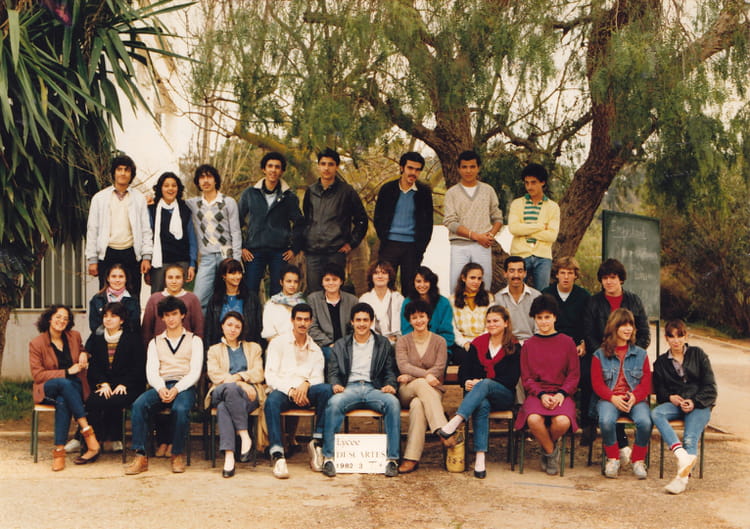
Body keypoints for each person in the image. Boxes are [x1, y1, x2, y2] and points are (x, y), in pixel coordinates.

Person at [438, 305, 521, 478]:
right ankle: (480, 458)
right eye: (488, 321)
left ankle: (456, 420)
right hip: (477, 397)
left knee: (486, 384)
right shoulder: (478, 344)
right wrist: (467, 381)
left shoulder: (514, 346)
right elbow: (463, 371)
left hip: (503, 395)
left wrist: (482, 383)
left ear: (506, 323)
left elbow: (511, 379)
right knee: (481, 404)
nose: (492, 324)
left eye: (496, 321)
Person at [125, 296, 203, 475]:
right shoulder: (155, 342)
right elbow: (151, 371)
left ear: (182, 315)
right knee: (139, 405)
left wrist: (177, 389)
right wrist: (161, 388)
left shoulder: (194, 340)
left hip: (184, 386)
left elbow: (195, 372)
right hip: (161, 384)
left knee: (180, 409)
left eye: (174, 314)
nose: (171, 319)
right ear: (162, 318)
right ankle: (140, 455)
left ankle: (177, 454)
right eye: (167, 315)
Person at [322, 303, 401, 478]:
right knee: (334, 403)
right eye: (358, 320)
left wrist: (390, 385)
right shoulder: (341, 345)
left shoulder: (383, 343)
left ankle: (392, 459)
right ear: (352, 322)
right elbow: (333, 371)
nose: (362, 324)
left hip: (374, 388)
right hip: (349, 387)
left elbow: (390, 370)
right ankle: (328, 457)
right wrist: (335, 384)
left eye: (366, 320)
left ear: (371, 322)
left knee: (393, 403)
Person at [583, 258, 650, 461]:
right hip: (603, 356)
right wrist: (605, 353)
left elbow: (644, 332)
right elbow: (589, 333)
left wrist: (632, 352)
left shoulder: (633, 301)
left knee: (626, 388)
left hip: (629, 357)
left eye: (613, 277)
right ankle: (597, 431)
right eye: (605, 278)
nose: (609, 282)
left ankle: (623, 446)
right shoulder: (594, 302)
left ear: (621, 279)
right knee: (597, 383)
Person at [264, 303, 333, 479]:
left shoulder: (315, 349)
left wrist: (306, 384)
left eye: (306, 320)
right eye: (299, 319)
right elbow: (270, 376)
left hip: (306, 391)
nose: (302, 323)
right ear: (292, 320)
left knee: (326, 391)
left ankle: (317, 443)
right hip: (284, 391)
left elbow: (318, 377)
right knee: (271, 401)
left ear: (311, 322)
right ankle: (278, 454)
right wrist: (292, 390)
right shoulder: (278, 343)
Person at [514, 294, 579, 475]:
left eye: (547, 317)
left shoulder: (567, 342)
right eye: (539, 318)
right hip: (537, 394)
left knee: (562, 422)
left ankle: (545, 446)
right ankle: (551, 452)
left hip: (561, 393)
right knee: (534, 419)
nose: (543, 322)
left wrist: (561, 394)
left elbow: (573, 375)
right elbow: (527, 378)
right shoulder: (529, 345)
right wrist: (541, 395)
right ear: (534, 319)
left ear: (555, 317)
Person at [29, 305, 100, 471]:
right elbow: (38, 375)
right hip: (48, 389)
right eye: (58, 317)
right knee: (64, 383)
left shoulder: (74, 336)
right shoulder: (36, 343)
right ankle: (87, 432)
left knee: (63, 401)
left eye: (65, 318)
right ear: (49, 318)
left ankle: (59, 452)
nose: (61, 321)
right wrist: (66, 372)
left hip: (73, 389)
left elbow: (83, 350)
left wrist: (84, 354)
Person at [651, 320, 717, 494]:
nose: (676, 340)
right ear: (666, 338)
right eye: (671, 336)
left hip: (699, 405)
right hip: (676, 405)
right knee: (657, 413)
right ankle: (681, 455)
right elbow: (660, 391)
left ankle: (681, 480)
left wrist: (694, 401)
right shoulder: (661, 363)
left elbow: (710, 387)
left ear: (686, 336)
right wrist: (670, 397)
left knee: (689, 439)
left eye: (680, 336)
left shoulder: (698, 354)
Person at [591, 308, 652, 479]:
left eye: (630, 325)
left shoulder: (641, 354)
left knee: (645, 422)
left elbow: (646, 382)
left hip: (634, 399)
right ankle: (613, 458)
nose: (628, 329)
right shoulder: (599, 355)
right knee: (606, 421)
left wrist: (635, 396)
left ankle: (638, 460)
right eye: (623, 325)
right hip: (609, 399)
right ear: (614, 327)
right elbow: (597, 383)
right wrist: (612, 397)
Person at [205, 312, 265, 478]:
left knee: (224, 407)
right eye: (229, 325)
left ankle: (229, 457)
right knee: (230, 389)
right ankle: (244, 435)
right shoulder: (214, 350)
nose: (233, 329)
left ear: (242, 329)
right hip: (220, 390)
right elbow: (214, 374)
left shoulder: (253, 348)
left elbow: (259, 373)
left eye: (237, 326)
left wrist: (239, 377)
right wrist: (240, 383)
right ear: (222, 326)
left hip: (248, 395)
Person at [394, 300, 450, 473]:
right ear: (409, 320)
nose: (419, 320)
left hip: (432, 391)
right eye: (414, 317)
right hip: (407, 390)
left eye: (422, 316)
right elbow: (403, 366)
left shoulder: (440, 341)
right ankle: (443, 429)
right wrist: (425, 376)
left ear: (428, 318)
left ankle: (411, 458)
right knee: (420, 383)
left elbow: (439, 367)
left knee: (418, 405)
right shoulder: (402, 341)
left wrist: (413, 375)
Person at [85, 154, 152, 299]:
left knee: (133, 296)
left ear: (131, 174)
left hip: (131, 253)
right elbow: (92, 230)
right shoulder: (100, 198)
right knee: (106, 297)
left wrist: (146, 256)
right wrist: (92, 259)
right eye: (119, 169)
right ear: (114, 172)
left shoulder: (139, 198)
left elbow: (146, 230)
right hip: (107, 253)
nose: (123, 173)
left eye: (127, 170)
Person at [238, 152, 305, 296]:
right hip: (254, 251)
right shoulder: (250, 194)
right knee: (250, 291)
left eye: (277, 167)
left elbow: (300, 223)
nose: (273, 170)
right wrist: (241, 247)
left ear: (282, 171)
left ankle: (276, 312)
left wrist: (294, 249)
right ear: (264, 169)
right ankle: (252, 312)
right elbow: (237, 221)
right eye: (270, 166)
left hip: (279, 252)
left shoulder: (289, 197)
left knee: (278, 292)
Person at [541, 257, 592, 443]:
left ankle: (587, 423)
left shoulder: (583, 296)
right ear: (556, 274)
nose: (566, 277)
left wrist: (584, 342)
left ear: (575, 275)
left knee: (587, 375)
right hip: (552, 345)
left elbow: (588, 323)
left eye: (570, 273)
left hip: (576, 346)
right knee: (548, 376)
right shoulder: (547, 294)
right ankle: (550, 420)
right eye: (562, 272)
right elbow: (542, 322)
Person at [302, 148, 368, 293]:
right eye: (323, 164)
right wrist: (305, 241)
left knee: (334, 292)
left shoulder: (347, 191)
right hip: (313, 252)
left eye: (330, 164)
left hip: (335, 252)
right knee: (314, 295)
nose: (326, 168)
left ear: (336, 167)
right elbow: (306, 219)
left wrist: (351, 243)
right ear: (318, 166)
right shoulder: (311, 191)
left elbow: (361, 220)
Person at [84, 302, 145, 454]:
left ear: (122, 320)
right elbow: (94, 366)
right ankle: (93, 440)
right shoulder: (97, 338)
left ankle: (114, 438)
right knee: (93, 401)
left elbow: (138, 367)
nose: (108, 319)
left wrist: (124, 384)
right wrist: (102, 383)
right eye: (105, 316)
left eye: (113, 316)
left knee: (115, 399)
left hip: (128, 385)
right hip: (105, 384)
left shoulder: (133, 338)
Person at [373, 151, 434, 292]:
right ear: (402, 168)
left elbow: (428, 224)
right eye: (410, 168)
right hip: (389, 245)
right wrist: (384, 237)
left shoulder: (424, 192)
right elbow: (378, 217)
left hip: (412, 247)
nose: (413, 173)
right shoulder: (387, 189)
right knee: (385, 287)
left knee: (411, 289)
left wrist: (420, 248)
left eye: (417, 170)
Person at [442, 150, 503, 290]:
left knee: (483, 286)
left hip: (482, 246)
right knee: (456, 286)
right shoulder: (452, 193)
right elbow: (450, 222)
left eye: (472, 167)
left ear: (478, 168)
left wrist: (490, 235)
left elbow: (498, 217)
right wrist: (475, 236)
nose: (468, 171)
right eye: (464, 167)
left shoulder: (488, 190)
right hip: (459, 246)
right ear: (458, 169)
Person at [186, 164, 242, 311]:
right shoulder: (193, 204)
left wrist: (236, 261)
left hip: (227, 256)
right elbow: (173, 202)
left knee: (229, 297)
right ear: (198, 182)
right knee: (198, 299)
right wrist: (152, 201)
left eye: (209, 176)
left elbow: (236, 233)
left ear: (215, 180)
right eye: (202, 177)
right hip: (207, 258)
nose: (206, 181)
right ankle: (204, 326)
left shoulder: (228, 202)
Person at [507, 163, 560, 290]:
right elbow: (514, 229)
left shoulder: (553, 207)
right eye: (527, 183)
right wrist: (541, 226)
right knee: (515, 290)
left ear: (542, 182)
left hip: (543, 256)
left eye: (533, 182)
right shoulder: (517, 204)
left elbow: (551, 236)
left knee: (543, 293)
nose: (529, 187)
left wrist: (524, 230)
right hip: (520, 254)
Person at [147, 171, 197, 293]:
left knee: (181, 298)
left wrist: (192, 264)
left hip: (182, 261)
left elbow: (192, 238)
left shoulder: (185, 209)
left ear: (178, 188)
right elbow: (147, 237)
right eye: (166, 185)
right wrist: (147, 261)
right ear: (160, 188)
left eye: (174, 185)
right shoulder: (152, 209)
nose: (170, 188)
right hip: (159, 262)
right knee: (158, 297)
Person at [204, 258, 264, 349]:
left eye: (239, 273)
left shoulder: (251, 298)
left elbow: (259, 329)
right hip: (220, 350)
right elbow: (209, 332)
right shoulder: (214, 301)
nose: (237, 276)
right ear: (224, 275)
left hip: (247, 349)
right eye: (232, 273)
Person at [142, 263, 204, 347]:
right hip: (159, 348)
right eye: (170, 277)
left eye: (178, 277)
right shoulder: (154, 299)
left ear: (183, 279)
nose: (174, 281)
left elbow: (199, 328)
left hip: (186, 348)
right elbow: (147, 330)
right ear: (164, 279)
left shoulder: (192, 299)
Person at [307, 262, 358, 360]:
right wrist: (330, 344)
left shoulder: (352, 300)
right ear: (322, 282)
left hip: (347, 345)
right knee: (332, 355)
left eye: (335, 279)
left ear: (341, 281)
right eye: (327, 280)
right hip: (324, 345)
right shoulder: (313, 299)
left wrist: (343, 345)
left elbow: (355, 327)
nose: (331, 283)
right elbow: (312, 327)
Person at [400, 265, 455, 349]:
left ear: (431, 282)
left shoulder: (444, 303)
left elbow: (447, 333)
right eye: (418, 281)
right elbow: (406, 330)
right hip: (415, 348)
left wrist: (432, 346)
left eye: (426, 281)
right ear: (413, 283)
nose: (422, 285)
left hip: (439, 347)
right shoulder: (407, 302)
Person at [451, 262, 493, 362]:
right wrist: (464, 343)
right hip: (462, 344)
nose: (476, 282)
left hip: (484, 342)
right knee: (467, 357)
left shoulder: (489, 298)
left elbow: (491, 324)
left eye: (479, 278)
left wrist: (480, 342)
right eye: (472, 278)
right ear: (463, 278)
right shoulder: (452, 300)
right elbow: (452, 328)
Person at [493, 256, 540, 343]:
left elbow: (540, 327)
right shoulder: (497, 298)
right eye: (512, 271)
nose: (516, 275)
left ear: (525, 273)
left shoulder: (536, 296)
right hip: (507, 344)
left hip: (532, 343)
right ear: (505, 273)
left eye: (520, 271)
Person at [89, 263, 141, 336]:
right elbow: (94, 326)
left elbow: (134, 325)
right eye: (113, 276)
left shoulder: (133, 300)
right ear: (108, 278)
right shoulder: (97, 299)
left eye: (121, 277)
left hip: (126, 340)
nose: (117, 280)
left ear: (126, 279)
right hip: (101, 339)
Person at [359, 261, 404, 344]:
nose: (380, 276)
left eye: (384, 273)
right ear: (371, 277)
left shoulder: (398, 298)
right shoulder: (364, 299)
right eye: (376, 273)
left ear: (389, 277)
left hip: (395, 343)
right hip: (371, 343)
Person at [261, 265, 306, 342]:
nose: (292, 285)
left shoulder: (303, 305)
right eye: (289, 281)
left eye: (295, 282)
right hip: (277, 345)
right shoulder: (271, 305)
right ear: (281, 282)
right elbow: (268, 335)